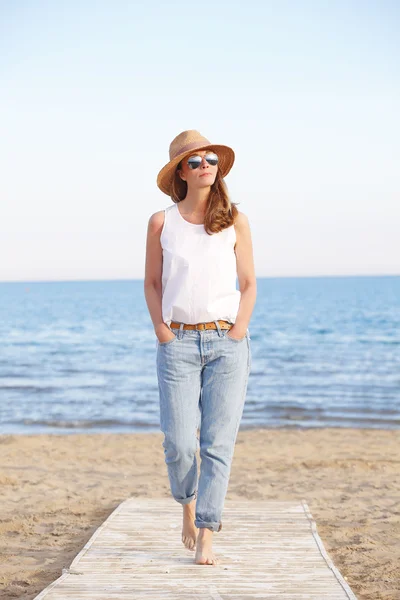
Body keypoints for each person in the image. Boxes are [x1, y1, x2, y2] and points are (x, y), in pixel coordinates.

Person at [144, 129, 256, 566]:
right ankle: (187, 507)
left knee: (217, 443)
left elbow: (247, 284)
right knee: (178, 444)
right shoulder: (161, 222)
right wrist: (162, 330)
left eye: (211, 159)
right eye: (195, 161)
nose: (205, 165)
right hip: (178, 342)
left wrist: (238, 331)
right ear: (181, 173)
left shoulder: (235, 220)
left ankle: (208, 530)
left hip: (227, 342)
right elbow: (153, 283)